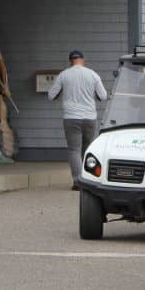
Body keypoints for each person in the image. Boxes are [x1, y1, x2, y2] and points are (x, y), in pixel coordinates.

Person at [48, 50, 107, 189]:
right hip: (90, 118)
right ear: (83, 60)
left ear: (70, 61)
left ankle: (77, 181)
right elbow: (103, 96)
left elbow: (51, 95)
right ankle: (89, 180)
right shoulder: (93, 74)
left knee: (74, 150)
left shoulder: (64, 75)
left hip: (71, 118)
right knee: (88, 149)